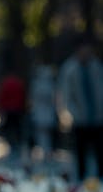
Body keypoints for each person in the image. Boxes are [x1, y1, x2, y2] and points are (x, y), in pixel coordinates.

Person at [58, 40, 103, 179]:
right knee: (81, 151)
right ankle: (82, 178)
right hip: (79, 118)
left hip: (98, 116)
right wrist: (68, 114)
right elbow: (64, 94)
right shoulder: (69, 68)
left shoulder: (96, 66)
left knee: (99, 150)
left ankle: (100, 177)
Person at [29, 64, 57, 157]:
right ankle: (44, 150)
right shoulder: (37, 84)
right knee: (41, 133)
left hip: (46, 112)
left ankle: (47, 151)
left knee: (46, 133)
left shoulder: (49, 84)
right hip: (41, 112)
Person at [0, 71, 26, 150]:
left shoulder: (6, 82)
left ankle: (11, 144)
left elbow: (2, 96)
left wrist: (1, 107)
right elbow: (22, 96)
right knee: (16, 127)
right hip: (17, 109)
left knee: (8, 128)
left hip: (8, 109)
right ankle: (17, 144)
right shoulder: (19, 82)